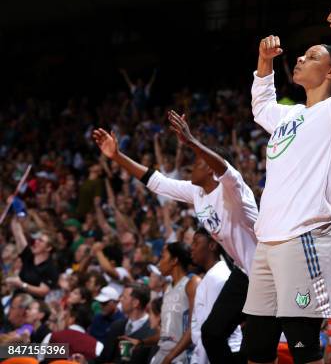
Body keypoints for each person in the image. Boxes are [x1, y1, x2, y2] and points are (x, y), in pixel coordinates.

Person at [243, 7, 331, 364]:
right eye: (302, 55)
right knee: (256, 348)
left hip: (305, 237)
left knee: (303, 346)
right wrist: (264, 63)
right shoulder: (290, 115)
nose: (301, 59)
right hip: (268, 241)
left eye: (312, 57)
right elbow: (261, 106)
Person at [93, 108, 258, 364]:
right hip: (243, 271)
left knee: (260, 346)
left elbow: (226, 169)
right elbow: (155, 181)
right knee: (211, 334)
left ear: (213, 169)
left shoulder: (233, 191)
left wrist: (192, 141)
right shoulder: (197, 193)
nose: (192, 165)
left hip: (267, 271)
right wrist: (116, 156)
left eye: (199, 161)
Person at [190, 228, 243, 364]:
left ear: (212, 245)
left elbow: (213, 329)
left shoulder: (218, 277)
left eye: (196, 243)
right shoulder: (212, 275)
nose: (192, 248)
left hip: (221, 354)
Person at [150, 242, 199, 364]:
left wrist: (170, 357)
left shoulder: (191, 283)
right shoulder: (167, 288)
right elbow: (167, 335)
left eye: (162, 257)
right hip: (163, 354)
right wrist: (141, 342)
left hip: (182, 356)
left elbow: (194, 326)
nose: (159, 263)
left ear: (174, 260)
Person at [97, 283, 155, 363]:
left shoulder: (153, 333)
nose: (120, 300)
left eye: (124, 297)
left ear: (135, 303)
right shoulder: (117, 326)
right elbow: (103, 358)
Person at [5, 217, 58, 299]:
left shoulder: (50, 268)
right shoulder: (29, 255)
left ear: (48, 248)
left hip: (31, 305)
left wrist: (22, 285)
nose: (36, 241)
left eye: (41, 241)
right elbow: (18, 233)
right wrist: (16, 214)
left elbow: (43, 291)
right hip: (16, 298)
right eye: (37, 239)